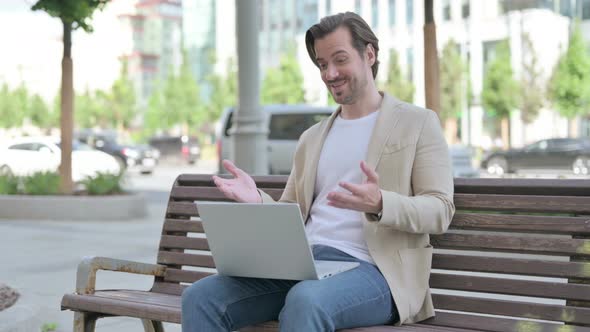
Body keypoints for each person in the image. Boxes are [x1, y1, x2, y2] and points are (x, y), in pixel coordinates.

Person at [182, 11, 454, 332]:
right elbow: (292, 213)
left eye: (339, 60)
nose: (330, 73)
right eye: (322, 64)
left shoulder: (417, 123)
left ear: (369, 54)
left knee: (306, 300)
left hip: (376, 272)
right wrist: (256, 200)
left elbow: (440, 210)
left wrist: (381, 203)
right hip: (308, 266)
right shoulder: (312, 138)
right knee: (201, 296)